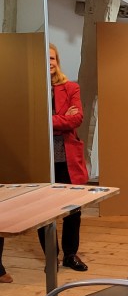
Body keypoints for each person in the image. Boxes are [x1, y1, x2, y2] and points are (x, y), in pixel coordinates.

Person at [35, 43, 90, 272]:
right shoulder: (30, 89)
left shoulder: (70, 88)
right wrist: (60, 119)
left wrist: (47, 120)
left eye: (52, 58)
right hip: (40, 158)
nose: (49, 63)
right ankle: (52, 258)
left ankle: (70, 255)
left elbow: (76, 119)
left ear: (57, 61)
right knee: (44, 211)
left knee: (73, 209)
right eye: (45, 59)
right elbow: (30, 121)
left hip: (67, 158)